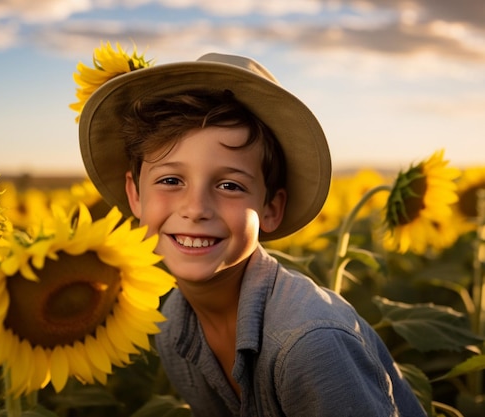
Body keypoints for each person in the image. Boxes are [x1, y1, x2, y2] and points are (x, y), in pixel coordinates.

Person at [78, 52, 426, 417]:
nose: (196, 208)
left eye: (229, 185)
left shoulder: (310, 346)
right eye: (170, 180)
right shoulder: (173, 328)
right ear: (135, 194)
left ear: (270, 209)